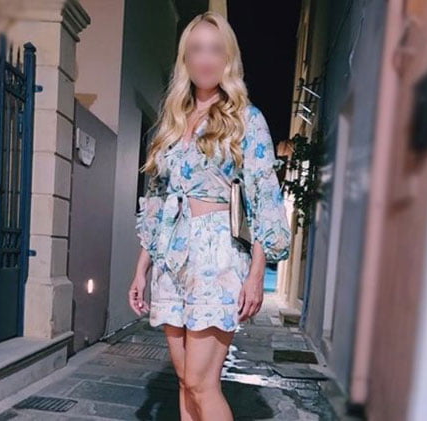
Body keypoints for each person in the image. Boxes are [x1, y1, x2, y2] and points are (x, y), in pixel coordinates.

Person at [128, 11, 291, 421]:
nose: (205, 59)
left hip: (217, 255)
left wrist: (257, 274)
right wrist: (141, 269)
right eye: (196, 50)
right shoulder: (173, 122)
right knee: (186, 382)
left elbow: (263, 198)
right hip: (171, 258)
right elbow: (158, 200)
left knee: (203, 384)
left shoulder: (246, 119)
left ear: (228, 58)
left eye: (215, 50)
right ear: (185, 58)